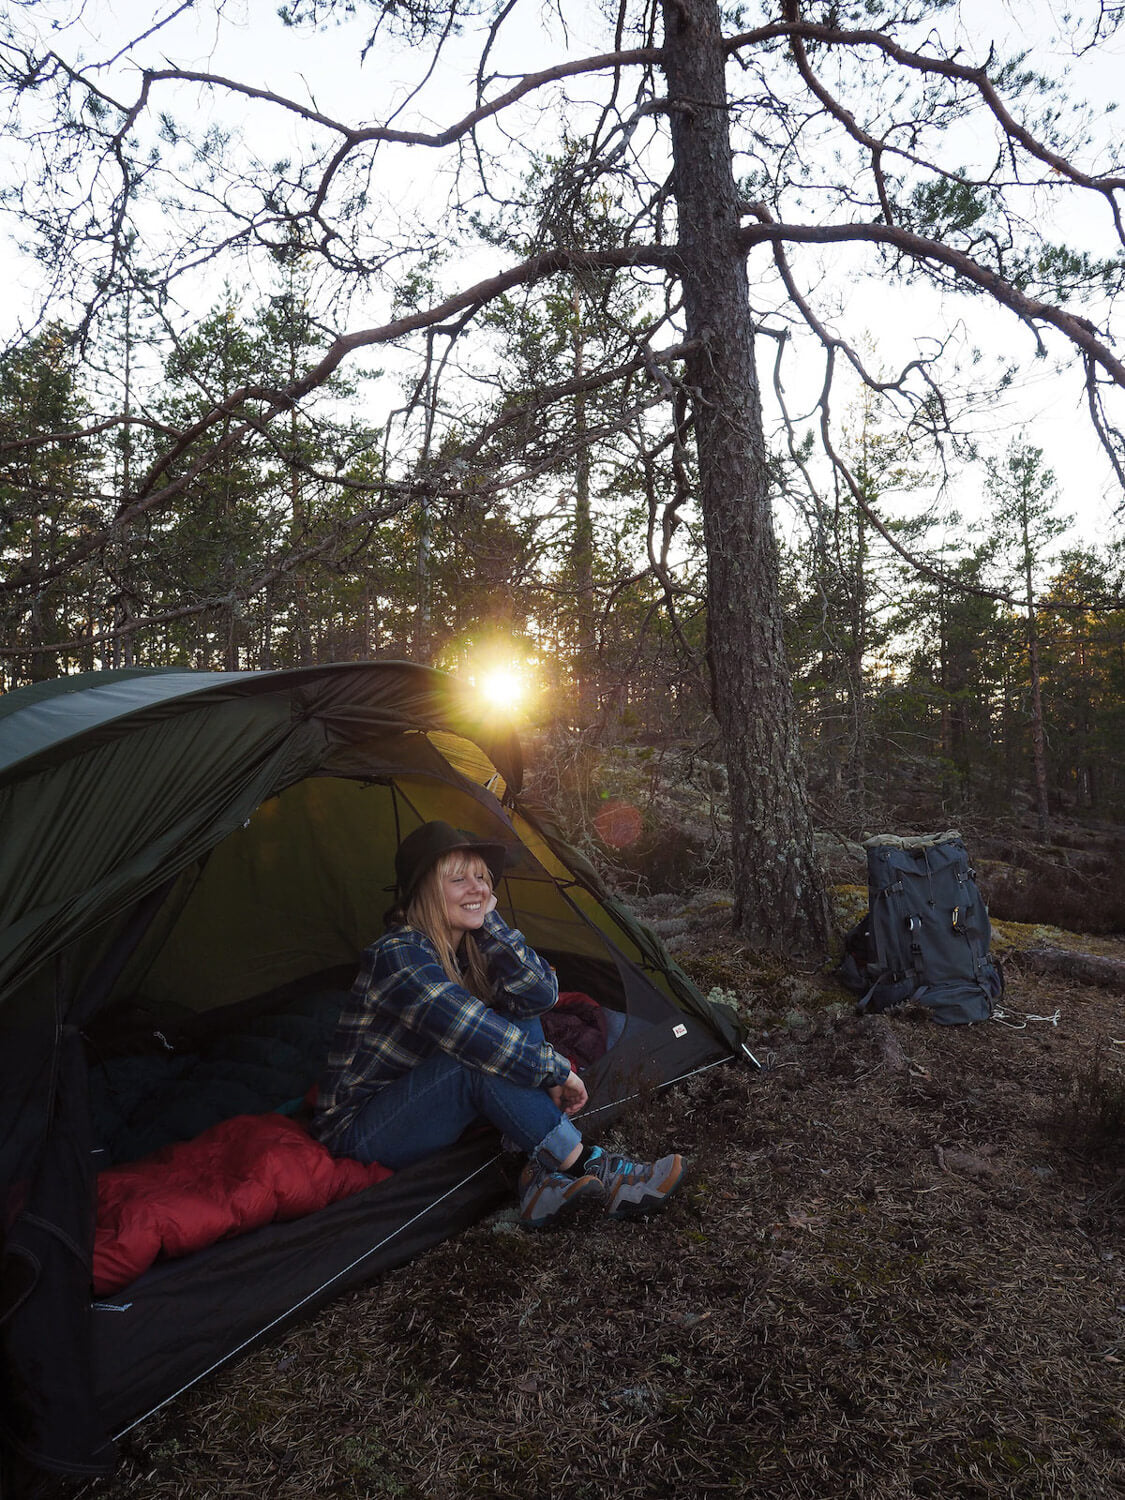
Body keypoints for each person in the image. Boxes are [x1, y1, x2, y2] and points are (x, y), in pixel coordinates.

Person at [311, 820, 685, 1229]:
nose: (478, 887)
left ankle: (542, 1180)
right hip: (360, 1131)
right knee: (476, 1058)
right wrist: (554, 1071)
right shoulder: (398, 954)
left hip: (422, 1095)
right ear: (424, 891)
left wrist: (490, 923)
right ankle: (590, 1166)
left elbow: (540, 995)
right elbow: (473, 1037)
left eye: (481, 878)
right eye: (459, 880)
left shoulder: (463, 947)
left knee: (516, 1013)